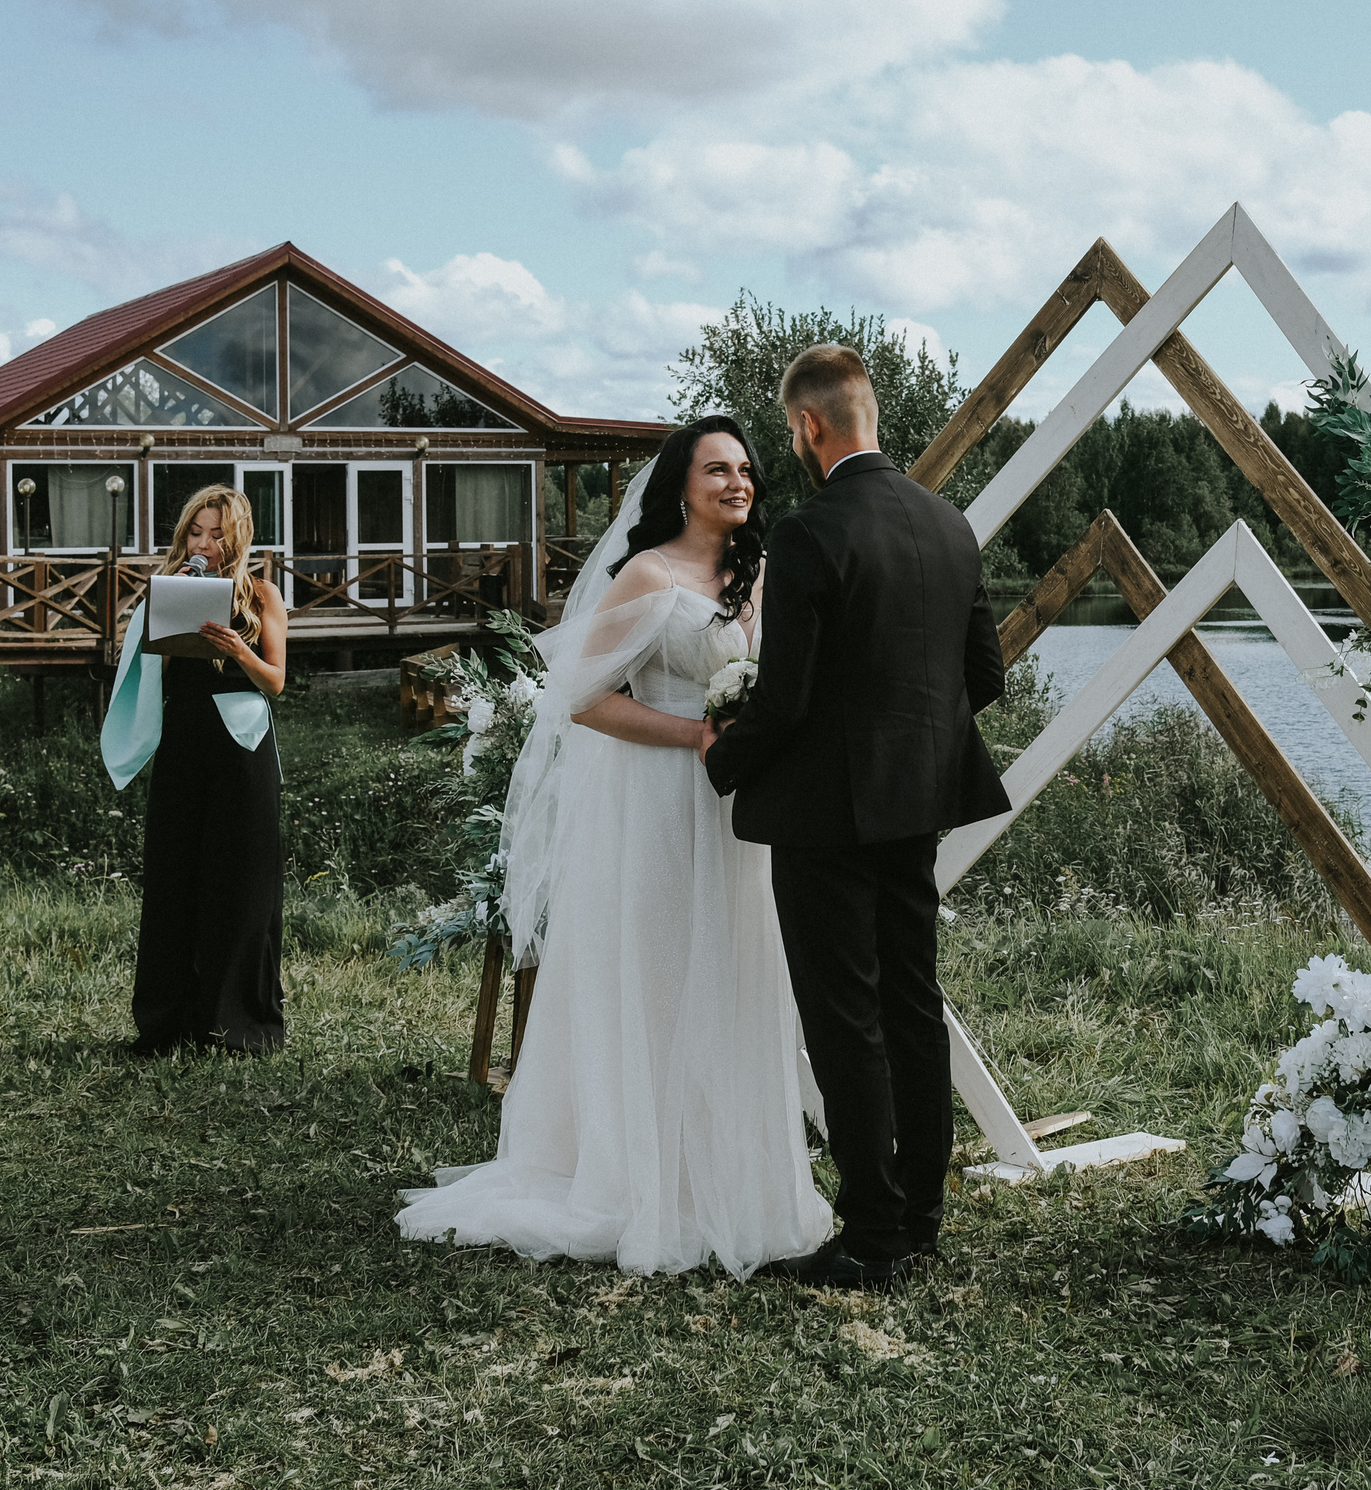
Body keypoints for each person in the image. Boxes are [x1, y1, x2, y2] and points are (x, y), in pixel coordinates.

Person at [395, 415, 834, 1278]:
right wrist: (690, 735)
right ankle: (647, 1178)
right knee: (663, 973)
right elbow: (585, 698)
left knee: (736, 971)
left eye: (745, 469)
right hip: (661, 803)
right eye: (717, 470)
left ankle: (728, 1172)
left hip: (738, 811)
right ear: (681, 484)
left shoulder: (762, 574)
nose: (737, 482)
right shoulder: (649, 573)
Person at [703, 344, 1011, 1288]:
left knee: (845, 1018)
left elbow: (787, 701)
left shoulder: (809, 532)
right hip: (918, 805)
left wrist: (724, 756)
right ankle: (920, 1215)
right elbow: (985, 678)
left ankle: (872, 1234)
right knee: (913, 1003)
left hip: (827, 816)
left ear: (807, 426)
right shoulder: (949, 524)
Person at [100, 485, 288, 1057]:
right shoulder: (166, 590)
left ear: (237, 539)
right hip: (182, 741)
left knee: (241, 885)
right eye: (195, 532)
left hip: (241, 745)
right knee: (174, 879)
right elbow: (141, 659)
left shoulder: (261, 595)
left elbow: (275, 681)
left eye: (216, 533)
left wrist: (237, 650)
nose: (204, 542)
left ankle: (239, 1025)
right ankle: (168, 1023)